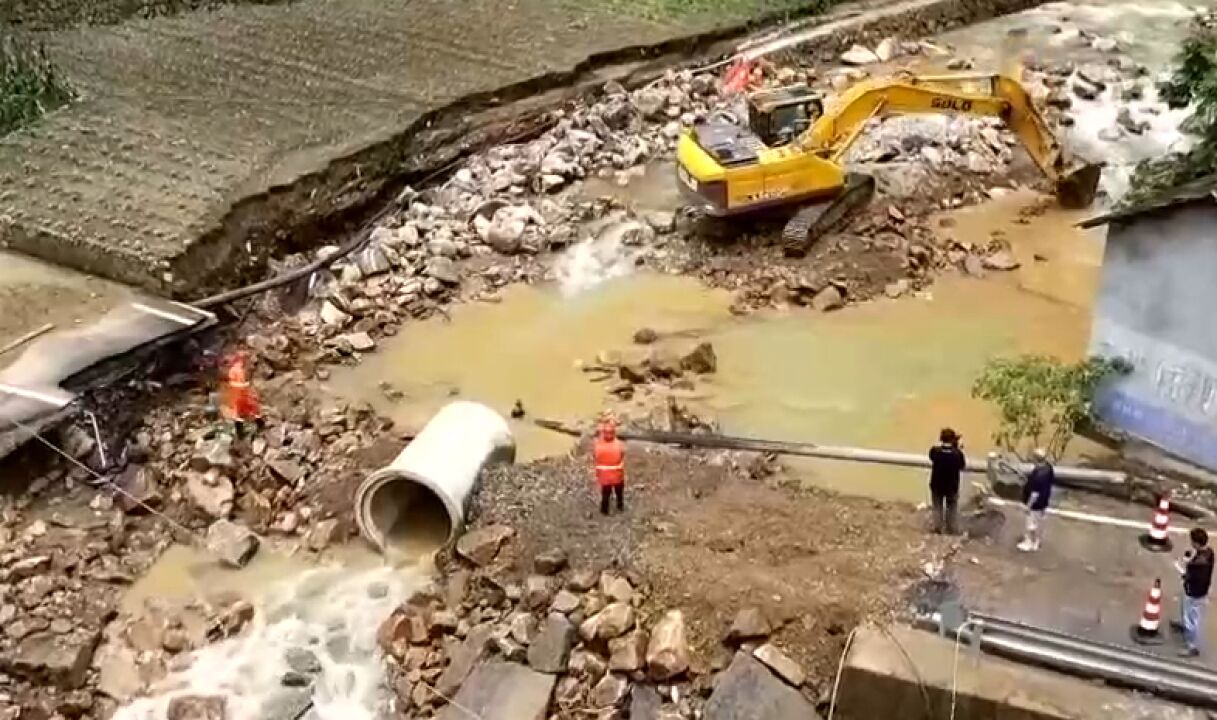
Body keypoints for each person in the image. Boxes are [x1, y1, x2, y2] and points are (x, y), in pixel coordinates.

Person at [1173, 528, 1213, 657]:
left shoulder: (1198, 565)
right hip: (1200, 590)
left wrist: (1181, 568)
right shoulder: (1209, 553)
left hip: (1194, 592)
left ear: (1196, 543)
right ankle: (1185, 626)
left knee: (1191, 617)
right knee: (1188, 611)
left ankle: (1192, 646)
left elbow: (1190, 576)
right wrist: (1190, 561)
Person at [928, 428, 965, 534]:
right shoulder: (957, 454)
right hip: (951, 486)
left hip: (936, 484)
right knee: (952, 508)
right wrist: (957, 448)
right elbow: (962, 465)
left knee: (937, 506)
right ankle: (951, 529)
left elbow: (932, 456)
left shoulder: (935, 451)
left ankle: (937, 528)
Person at [1018, 448, 1055, 552]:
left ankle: (1029, 542)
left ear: (1035, 459)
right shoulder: (1049, 468)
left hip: (1035, 504)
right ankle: (1036, 542)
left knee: (1030, 524)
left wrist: (1028, 506)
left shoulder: (1039, 475)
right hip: (1044, 501)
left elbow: (1034, 494)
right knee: (1038, 523)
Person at [593, 417, 625, 515]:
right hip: (617, 475)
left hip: (604, 476)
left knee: (606, 494)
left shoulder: (599, 445)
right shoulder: (618, 444)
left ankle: (604, 511)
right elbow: (622, 454)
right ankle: (620, 506)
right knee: (619, 492)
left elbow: (595, 456)